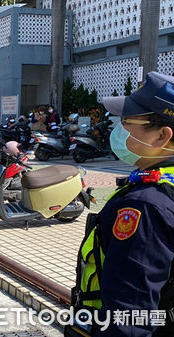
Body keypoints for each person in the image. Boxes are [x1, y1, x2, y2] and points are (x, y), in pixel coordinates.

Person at [66, 72, 174, 336]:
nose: (118, 129)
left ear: (162, 136)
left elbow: (128, 318)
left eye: (126, 122)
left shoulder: (145, 206)